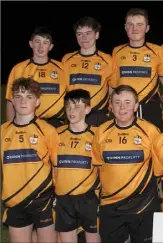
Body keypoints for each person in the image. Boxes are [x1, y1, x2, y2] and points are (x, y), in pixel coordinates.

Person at [92, 85, 161, 243]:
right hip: (111, 206)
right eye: (117, 102)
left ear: (136, 106)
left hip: (144, 205)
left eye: (127, 102)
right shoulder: (101, 132)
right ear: (111, 105)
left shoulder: (150, 131)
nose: (122, 107)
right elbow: (97, 166)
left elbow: (159, 170)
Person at [1, 77, 58, 243]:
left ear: (38, 101)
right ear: (12, 99)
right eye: (18, 96)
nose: (23, 101)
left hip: (43, 200)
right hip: (15, 200)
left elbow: (57, 166)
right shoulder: (3, 131)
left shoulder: (47, 130)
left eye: (29, 97)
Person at [53, 89, 100, 243]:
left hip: (89, 197)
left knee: (93, 237)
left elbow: (103, 168)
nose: (71, 111)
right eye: (68, 107)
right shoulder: (55, 135)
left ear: (87, 109)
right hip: (64, 198)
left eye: (77, 107)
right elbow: (52, 166)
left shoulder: (97, 135)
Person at [111, 8, 163, 132]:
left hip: (150, 106)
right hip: (124, 108)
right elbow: (113, 85)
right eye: (130, 24)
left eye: (139, 25)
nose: (134, 29)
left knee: (156, 146)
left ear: (147, 28)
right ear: (125, 27)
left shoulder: (157, 51)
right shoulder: (117, 52)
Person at [6, 26, 67, 128]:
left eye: (45, 42)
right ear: (31, 44)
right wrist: (10, 128)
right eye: (37, 41)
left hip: (56, 124)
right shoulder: (19, 68)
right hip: (27, 123)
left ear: (51, 47)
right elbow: (10, 100)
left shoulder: (62, 69)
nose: (41, 47)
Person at [62, 16, 114, 127]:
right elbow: (64, 88)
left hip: (98, 115)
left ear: (96, 35)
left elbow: (112, 88)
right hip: (74, 114)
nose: (84, 38)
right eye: (79, 34)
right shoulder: (67, 59)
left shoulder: (107, 60)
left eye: (88, 33)